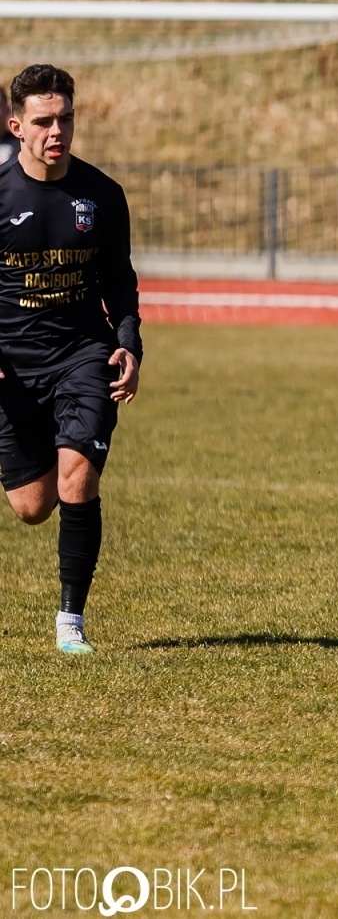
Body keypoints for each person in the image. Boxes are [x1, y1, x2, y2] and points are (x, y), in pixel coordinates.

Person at [0, 64, 142, 655]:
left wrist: (130, 343)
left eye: (65, 119)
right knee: (32, 507)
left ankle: (70, 622)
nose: (56, 130)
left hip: (84, 354)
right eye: (43, 121)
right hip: (12, 367)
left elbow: (121, 281)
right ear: (16, 126)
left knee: (77, 475)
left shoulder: (102, 195)